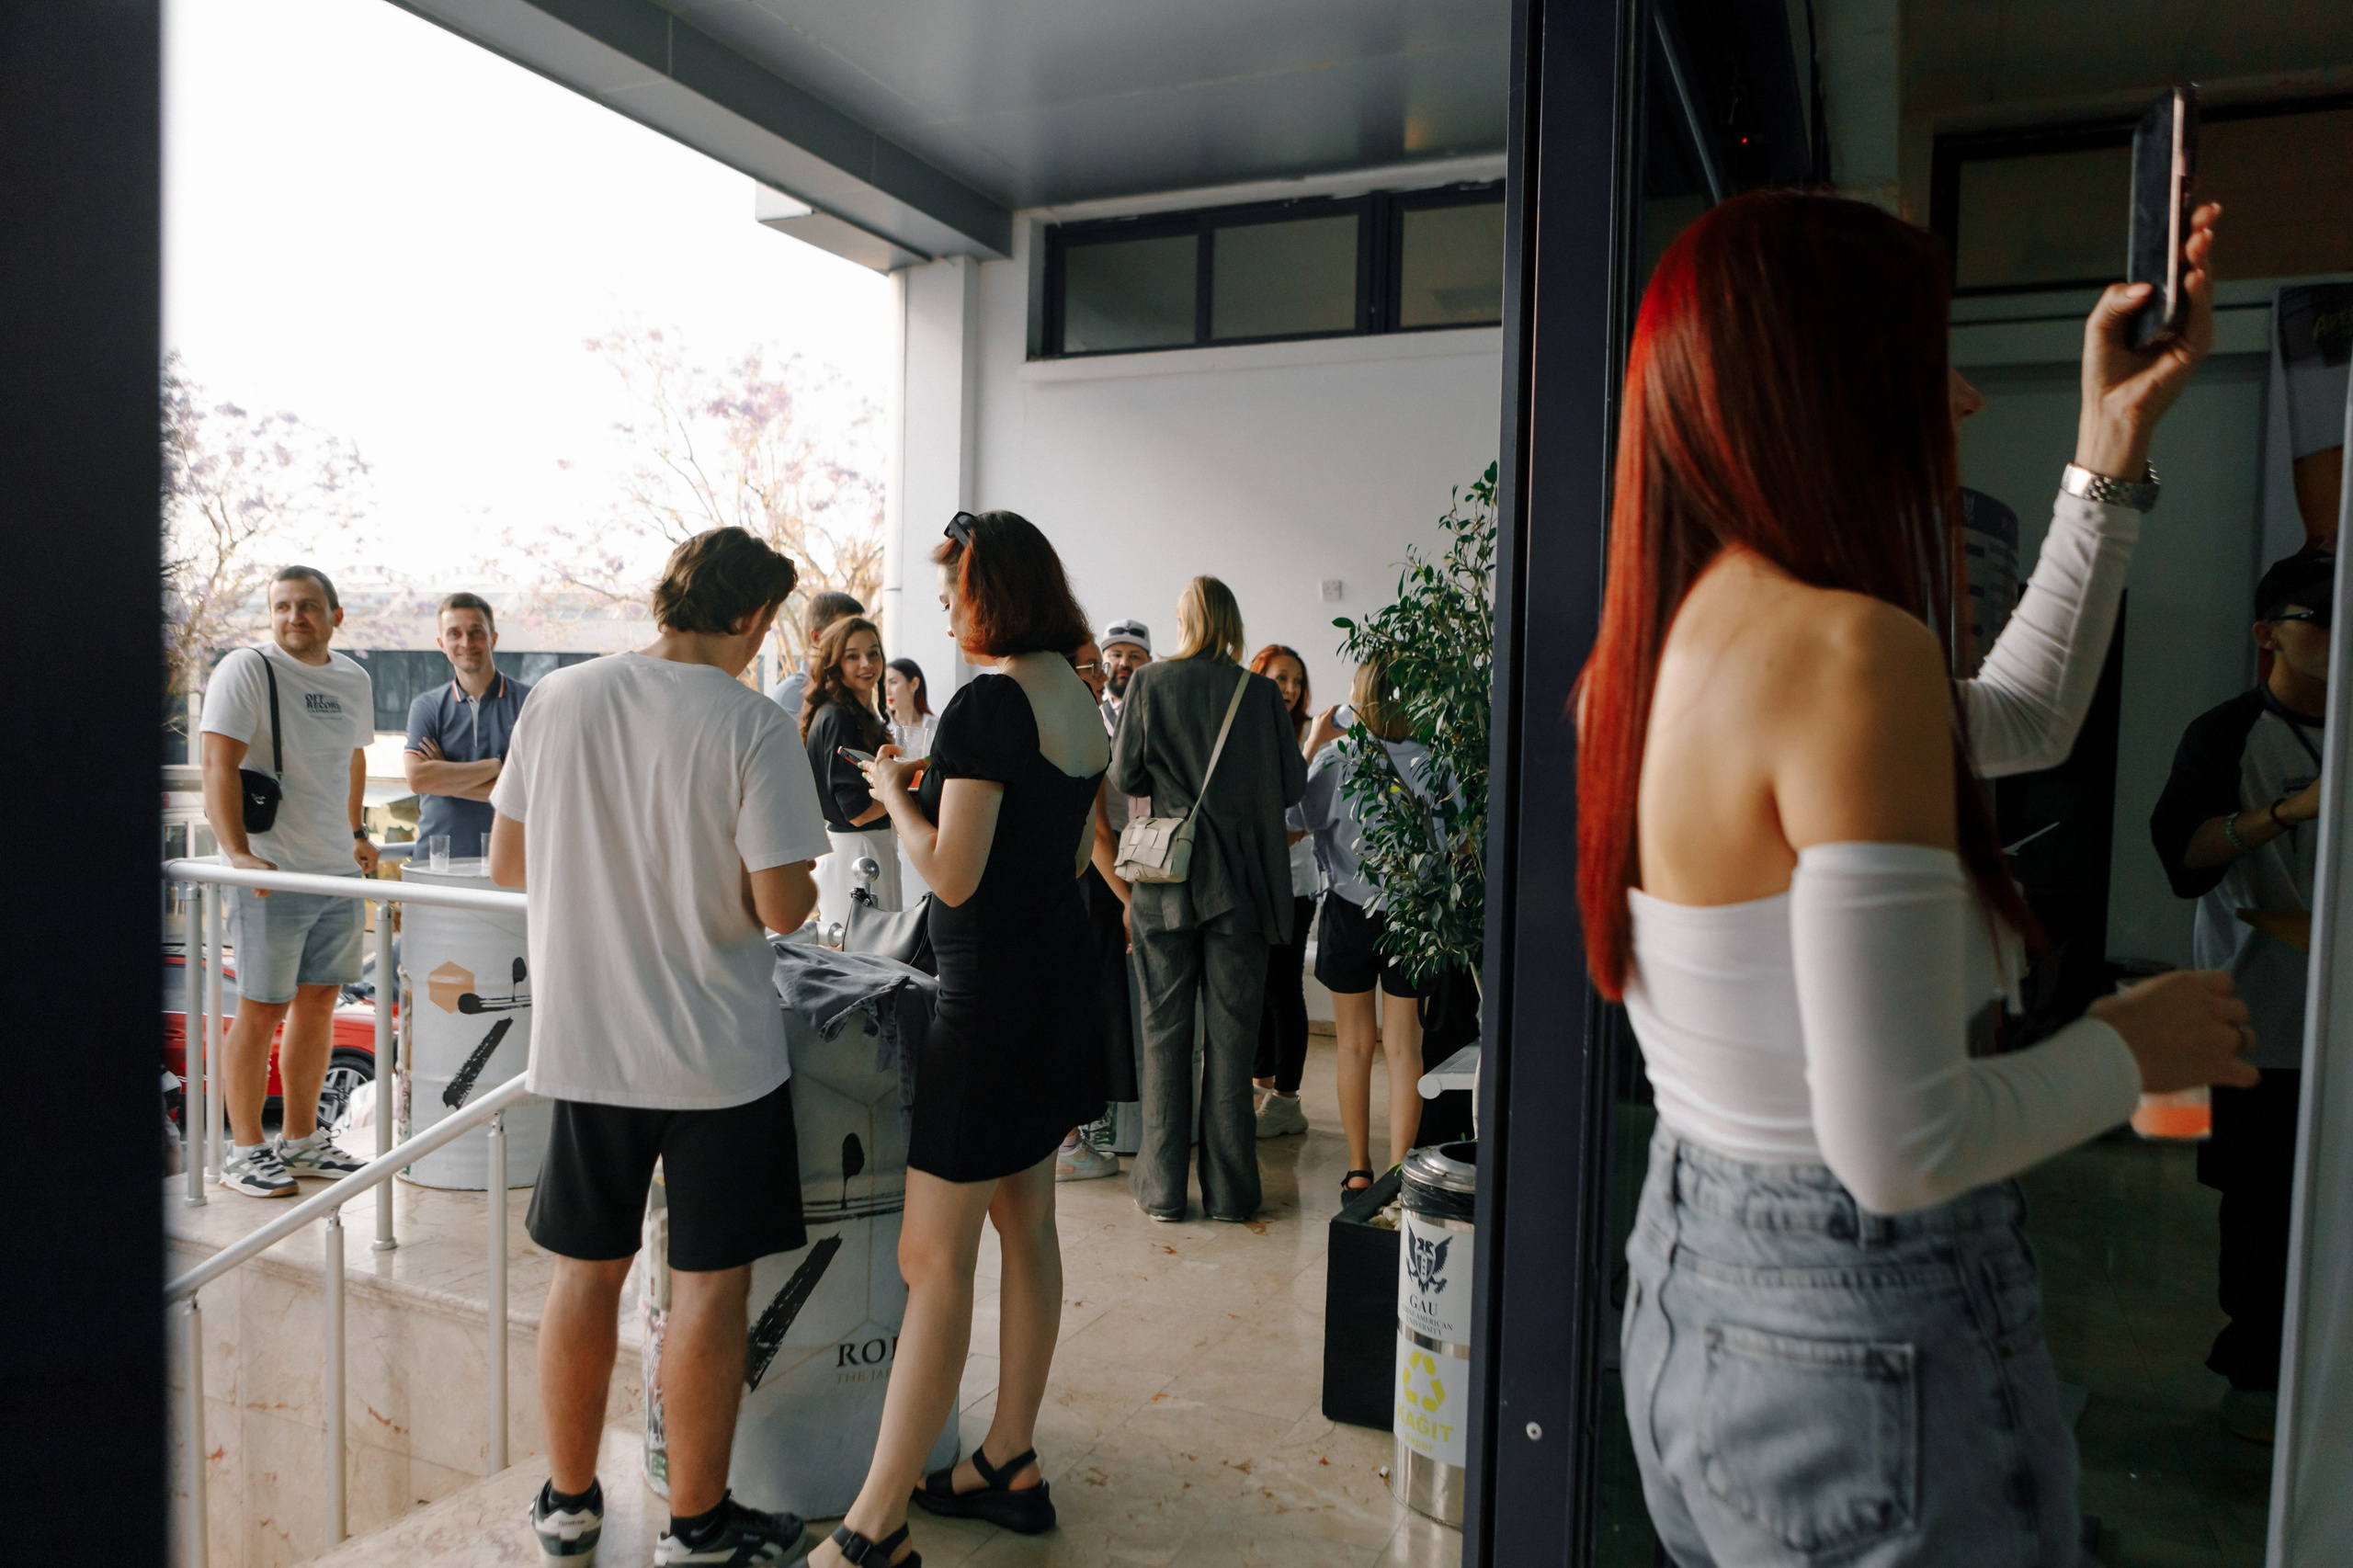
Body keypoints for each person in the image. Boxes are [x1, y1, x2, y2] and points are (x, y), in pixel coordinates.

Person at [1583, 190, 2250, 1565]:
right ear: (1822, 391)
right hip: (1855, 1329)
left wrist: (2109, 447)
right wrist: (2130, 1046)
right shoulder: (1845, 651)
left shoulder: (1652, 659)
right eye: (1918, 359)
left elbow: (2026, 714)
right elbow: (1899, 1147)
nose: (1956, 402)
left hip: (1688, 1300)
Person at [489, 527, 828, 1567]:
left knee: (582, 1276)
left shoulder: (558, 697)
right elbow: (782, 903)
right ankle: (696, 1525)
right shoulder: (752, 724)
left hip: (588, 1043)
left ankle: (569, 1501)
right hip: (718, 1058)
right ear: (749, 615)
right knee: (710, 1285)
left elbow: (509, 864)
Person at [810, 510, 1108, 1568]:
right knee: (1027, 1229)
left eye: (952, 590)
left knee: (931, 1258)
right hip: (1058, 988)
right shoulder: (1077, 692)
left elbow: (949, 876)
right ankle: (1008, 1461)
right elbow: (1072, 858)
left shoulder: (987, 703)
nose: (940, 608)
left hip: (984, 1007)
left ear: (993, 593)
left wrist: (896, 791)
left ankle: (874, 1521)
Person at [2151, 545, 2332, 1442]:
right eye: (2319, 618)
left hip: (2337, 1020)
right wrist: (2286, 814)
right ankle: (2255, 1369)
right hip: (2257, 1018)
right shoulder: (2223, 733)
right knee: (2258, 1208)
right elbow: (2182, 853)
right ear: (2268, 633)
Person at [1110, 576, 1307, 1222]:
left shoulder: (1149, 683)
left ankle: (1163, 1190)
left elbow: (1125, 775)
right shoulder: (1259, 695)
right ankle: (1231, 1193)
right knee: (1232, 1042)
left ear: (1185, 619)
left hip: (1166, 884)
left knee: (1163, 1036)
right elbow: (1290, 785)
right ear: (1231, 621)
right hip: (1240, 891)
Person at [199, 565, 379, 1198]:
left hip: (337, 873)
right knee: (260, 1008)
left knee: (321, 1001)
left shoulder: (354, 677)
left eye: (307, 606)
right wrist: (236, 853)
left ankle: (302, 1141)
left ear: (335, 615)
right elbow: (217, 762)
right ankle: (244, 1150)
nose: (293, 617)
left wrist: (356, 831)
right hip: (271, 873)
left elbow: (353, 758)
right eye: (281, 606)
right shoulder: (246, 669)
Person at [1292, 660, 1439, 1193]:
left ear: (1361, 697)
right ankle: (1403, 1171)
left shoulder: (1338, 757)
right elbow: (1462, 841)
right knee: (1406, 1048)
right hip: (1415, 914)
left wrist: (1311, 741)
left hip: (1349, 914)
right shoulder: (1434, 762)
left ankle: (1358, 1168)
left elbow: (1293, 824)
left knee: (1354, 1044)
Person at [1057, 634, 1132, 1182]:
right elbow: (1099, 833)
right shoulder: (1078, 724)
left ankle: (1068, 1134)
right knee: (1082, 1009)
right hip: (1084, 889)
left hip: (1061, 886)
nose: (1103, 675)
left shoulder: (1045, 717)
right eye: (1093, 665)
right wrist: (1129, 901)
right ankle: (1072, 1137)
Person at [402, 592, 530, 863]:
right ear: (441, 643)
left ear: (493, 638)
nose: (466, 643)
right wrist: (499, 765)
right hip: (436, 862)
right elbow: (418, 779)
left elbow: (533, 791)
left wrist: (444, 780)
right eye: (454, 634)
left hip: (512, 865)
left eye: (476, 633)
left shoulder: (531, 703)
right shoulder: (426, 706)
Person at [1249, 643, 1319, 1139]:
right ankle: (1263, 1083)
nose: (1290, 688)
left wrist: (1312, 744)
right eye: (1280, 678)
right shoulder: (1247, 733)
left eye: (1296, 679)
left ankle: (1287, 1098)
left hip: (1294, 884)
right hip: (1251, 880)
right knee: (1253, 987)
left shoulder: (1308, 735)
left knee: (1282, 989)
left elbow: (1293, 820)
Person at [801, 615, 902, 922]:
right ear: (835, 664)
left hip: (863, 849)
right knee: (870, 960)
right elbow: (857, 811)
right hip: (858, 854)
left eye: (873, 653)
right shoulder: (839, 718)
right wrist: (903, 793)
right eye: (852, 656)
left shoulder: (855, 713)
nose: (866, 664)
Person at [770, 588, 863, 719]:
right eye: (845, 632)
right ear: (817, 637)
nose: (855, 641)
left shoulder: (851, 687)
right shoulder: (792, 694)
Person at [884, 656, 938, 760]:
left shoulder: (936, 726)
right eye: (884, 685)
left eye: (893, 682)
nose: (887, 691)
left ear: (914, 684)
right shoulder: (883, 726)